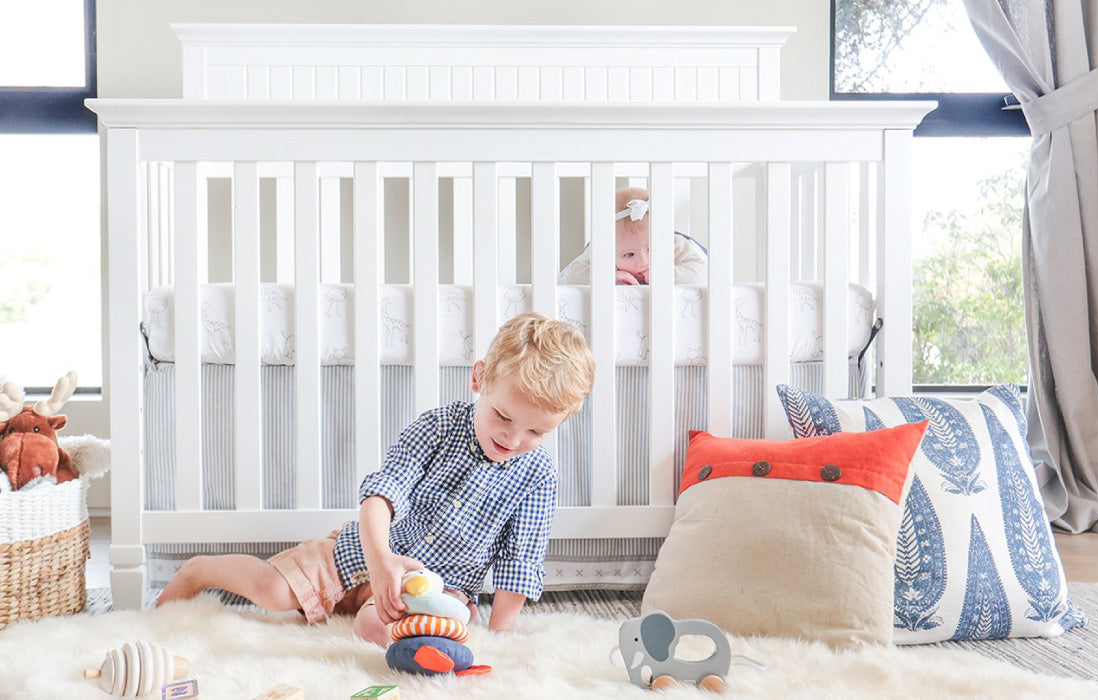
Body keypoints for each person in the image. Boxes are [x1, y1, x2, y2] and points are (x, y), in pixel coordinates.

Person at [155, 312, 596, 648]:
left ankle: (390, 635)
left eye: (536, 432)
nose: (513, 438)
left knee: (415, 628)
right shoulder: (439, 427)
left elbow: (519, 561)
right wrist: (381, 560)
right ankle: (200, 570)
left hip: (433, 582)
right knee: (271, 590)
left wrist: (500, 640)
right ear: (479, 379)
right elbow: (382, 495)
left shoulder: (538, 476)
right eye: (503, 416)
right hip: (364, 551)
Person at [558, 186, 708, 285]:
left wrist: (664, 275)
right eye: (629, 254)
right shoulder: (605, 249)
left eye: (651, 249)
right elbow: (571, 277)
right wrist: (609, 277)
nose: (643, 262)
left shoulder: (677, 245)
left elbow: (703, 274)